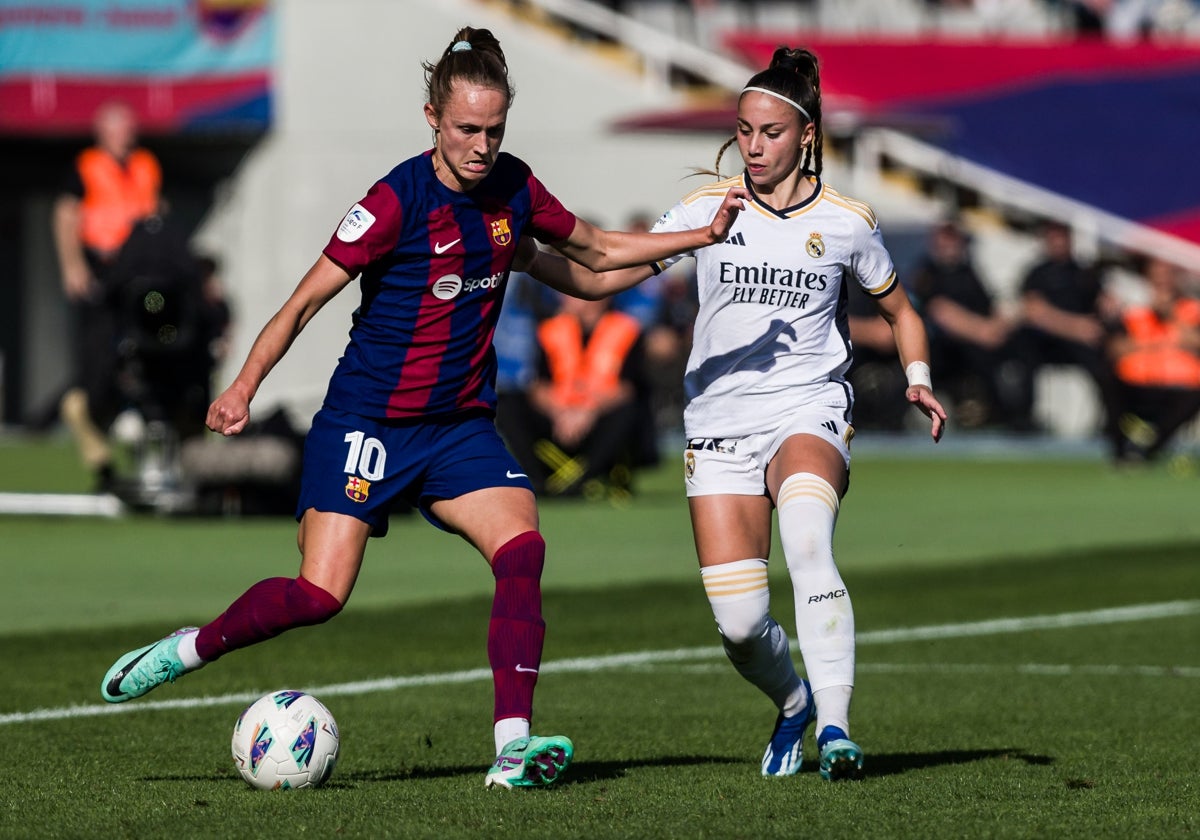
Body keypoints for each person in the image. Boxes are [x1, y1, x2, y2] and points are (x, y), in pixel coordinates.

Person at [98, 26, 747, 791]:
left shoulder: (513, 189)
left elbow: (597, 258)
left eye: (495, 130)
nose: (481, 146)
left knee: (523, 548)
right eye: (467, 128)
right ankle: (193, 647)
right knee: (318, 595)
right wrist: (242, 387)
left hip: (459, 429)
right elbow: (304, 303)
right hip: (366, 424)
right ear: (432, 116)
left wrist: (698, 237)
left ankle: (512, 747)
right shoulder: (393, 201)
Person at [522, 45, 946, 781]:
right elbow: (597, 279)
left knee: (809, 540)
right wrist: (521, 255)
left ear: (806, 134)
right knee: (742, 624)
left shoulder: (846, 222)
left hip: (808, 408)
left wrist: (917, 375)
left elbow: (903, 312)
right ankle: (793, 702)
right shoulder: (704, 210)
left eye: (770, 133)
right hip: (718, 426)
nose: (753, 146)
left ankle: (838, 729)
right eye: (744, 131)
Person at [52, 100, 162, 491]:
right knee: (97, 362)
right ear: (104, 131)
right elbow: (66, 215)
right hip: (101, 272)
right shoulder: (87, 165)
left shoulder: (146, 164)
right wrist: (72, 267)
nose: (127, 133)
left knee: (154, 348)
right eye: (120, 126)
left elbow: (155, 213)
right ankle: (101, 451)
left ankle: (145, 433)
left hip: (140, 275)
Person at [909, 219, 1029, 430]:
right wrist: (983, 332)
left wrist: (998, 326)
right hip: (945, 345)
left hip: (980, 338)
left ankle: (1017, 414)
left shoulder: (969, 271)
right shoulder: (928, 273)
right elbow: (940, 311)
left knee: (1025, 349)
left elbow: (990, 304)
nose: (949, 244)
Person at [1015, 219, 1123, 439]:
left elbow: (1103, 303)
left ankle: (1112, 419)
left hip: (1081, 341)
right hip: (1048, 338)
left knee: (1105, 360)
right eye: (1053, 237)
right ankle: (1023, 418)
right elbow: (1035, 311)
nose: (1058, 242)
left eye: (1061, 236)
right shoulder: (1037, 273)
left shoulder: (1085, 272)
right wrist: (1075, 327)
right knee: (1022, 348)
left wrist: (1109, 308)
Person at [1107, 257, 1200, 463]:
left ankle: (1149, 450)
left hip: (1180, 384)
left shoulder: (1191, 308)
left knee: (1192, 398)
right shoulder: (1133, 309)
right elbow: (1115, 347)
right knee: (1109, 382)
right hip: (1138, 382)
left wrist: (1171, 315)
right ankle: (1120, 451)